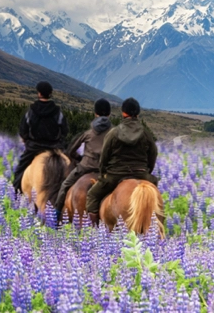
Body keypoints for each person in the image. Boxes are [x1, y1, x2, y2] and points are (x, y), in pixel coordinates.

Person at [86, 97, 158, 225]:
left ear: (123, 113)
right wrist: (147, 172)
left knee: (92, 195)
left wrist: (103, 173)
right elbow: (153, 154)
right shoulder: (146, 134)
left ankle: (95, 231)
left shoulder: (114, 133)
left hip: (116, 174)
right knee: (155, 195)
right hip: (141, 173)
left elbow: (104, 156)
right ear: (138, 113)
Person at [54, 98, 113, 221]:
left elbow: (71, 151)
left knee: (65, 186)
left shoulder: (88, 133)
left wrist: (80, 158)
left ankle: (56, 215)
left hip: (86, 167)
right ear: (109, 114)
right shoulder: (114, 133)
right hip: (107, 170)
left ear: (95, 114)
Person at [12, 81, 69, 194]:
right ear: (50, 94)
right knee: (71, 168)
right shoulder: (58, 112)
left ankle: (16, 194)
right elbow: (65, 130)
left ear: (39, 93)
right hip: (55, 147)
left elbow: (23, 130)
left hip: (34, 147)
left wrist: (27, 141)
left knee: (20, 170)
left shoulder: (31, 111)